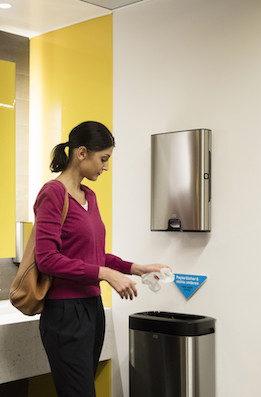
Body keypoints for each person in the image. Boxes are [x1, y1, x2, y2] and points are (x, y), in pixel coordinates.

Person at [34, 121, 169, 397]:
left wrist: (134, 268)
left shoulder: (89, 196)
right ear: (81, 153)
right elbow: (47, 258)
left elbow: (95, 254)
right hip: (65, 314)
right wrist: (104, 274)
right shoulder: (53, 193)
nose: (105, 167)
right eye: (103, 159)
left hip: (91, 310)